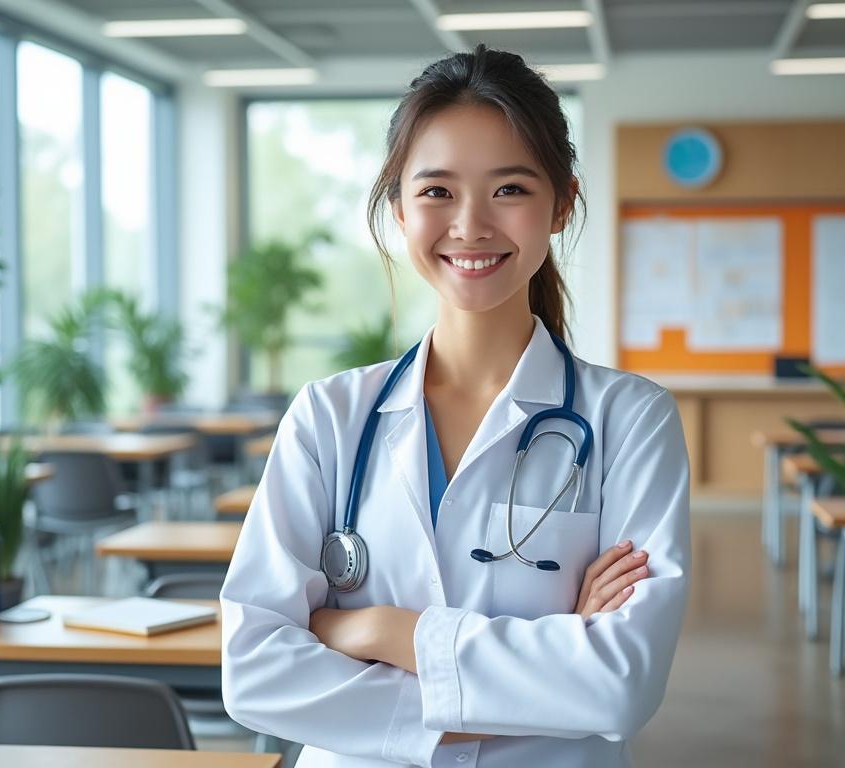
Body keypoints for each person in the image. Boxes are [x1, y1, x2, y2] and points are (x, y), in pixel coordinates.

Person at [221, 44, 690, 767]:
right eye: (437, 190)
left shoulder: (631, 419)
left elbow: (620, 683)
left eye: (509, 189)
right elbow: (255, 671)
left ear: (561, 203)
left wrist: (377, 631)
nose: (470, 225)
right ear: (399, 206)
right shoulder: (329, 417)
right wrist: (535, 685)